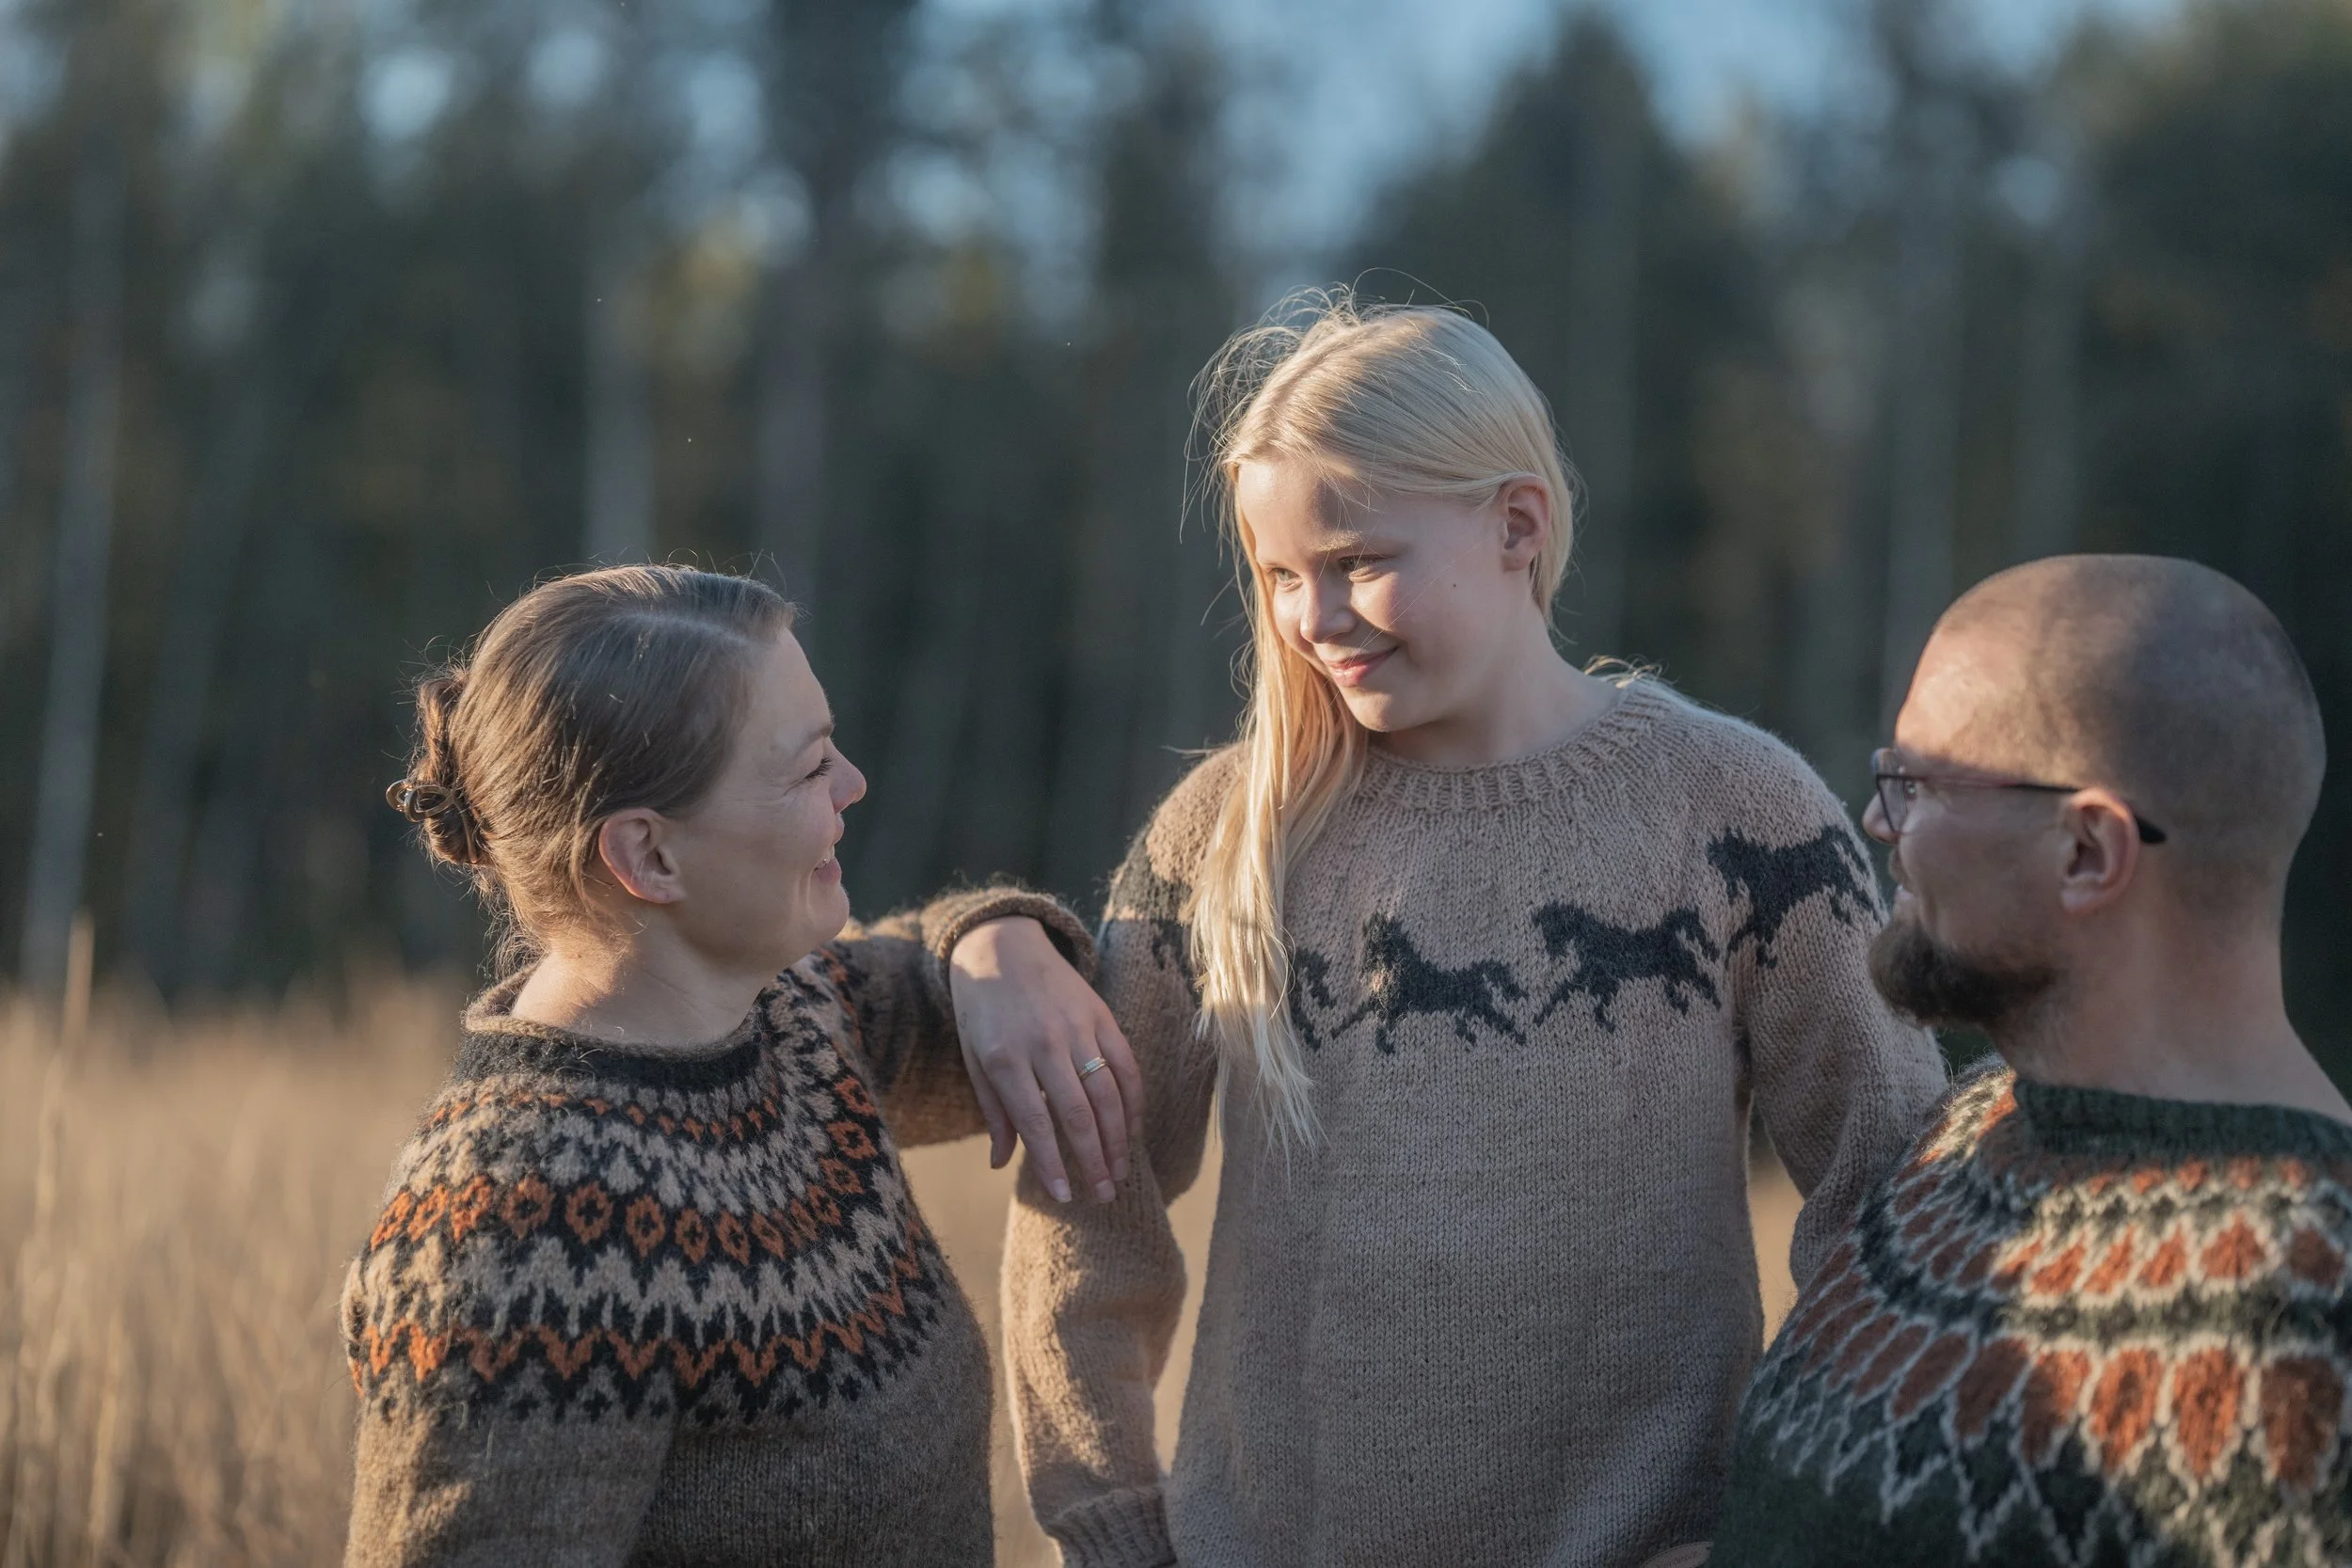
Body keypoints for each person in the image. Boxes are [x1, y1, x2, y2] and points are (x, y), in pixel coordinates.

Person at [999, 292, 1949, 1568]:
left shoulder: (1738, 812)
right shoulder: (1224, 833)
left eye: (1357, 561)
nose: (1315, 616)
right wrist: (1109, 1518)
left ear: (1518, 522)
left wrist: (1781, 1515)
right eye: (1280, 576)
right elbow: (1087, 1191)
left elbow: (1886, 1186)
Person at [342, 564, 1137, 1568]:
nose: (852, 783)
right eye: (808, 769)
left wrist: (997, 938)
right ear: (650, 857)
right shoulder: (514, 1230)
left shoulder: (795, 1014)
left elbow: (961, 998)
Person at [1710, 555, 2352, 1567]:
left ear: (2087, 851)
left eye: (1916, 781)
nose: (1878, 819)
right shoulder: (1965, 1134)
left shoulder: (2309, 1302)